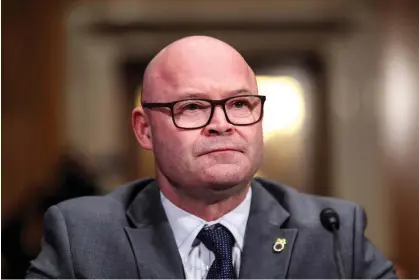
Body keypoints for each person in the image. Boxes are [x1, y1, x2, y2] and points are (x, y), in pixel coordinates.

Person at [26, 36, 396, 279]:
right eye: (192, 107)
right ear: (144, 130)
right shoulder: (82, 237)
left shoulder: (332, 233)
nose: (222, 124)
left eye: (239, 104)